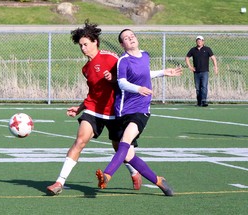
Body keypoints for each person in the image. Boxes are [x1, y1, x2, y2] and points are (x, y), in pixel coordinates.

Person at [46, 20, 142, 196]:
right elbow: (93, 93)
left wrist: (113, 77)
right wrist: (80, 108)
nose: (83, 48)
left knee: (119, 148)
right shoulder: (86, 68)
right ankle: (59, 182)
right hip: (93, 109)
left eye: (86, 44)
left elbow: (127, 77)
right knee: (80, 140)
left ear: (95, 42)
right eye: (81, 45)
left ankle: (134, 172)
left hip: (115, 110)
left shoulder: (111, 58)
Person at [96, 29, 182, 196]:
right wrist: (138, 88)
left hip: (141, 110)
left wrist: (163, 72)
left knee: (125, 142)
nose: (130, 39)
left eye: (132, 36)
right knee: (128, 156)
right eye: (126, 38)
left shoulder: (145, 55)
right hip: (123, 110)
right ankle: (158, 180)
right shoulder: (123, 61)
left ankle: (106, 175)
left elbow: (144, 74)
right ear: (122, 44)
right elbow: (122, 83)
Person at [185, 35, 218, 107]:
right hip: (196, 72)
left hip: (205, 71)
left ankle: (204, 101)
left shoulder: (207, 49)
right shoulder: (193, 50)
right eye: (198, 40)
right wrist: (190, 67)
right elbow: (187, 57)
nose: (199, 42)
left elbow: (213, 58)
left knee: (204, 86)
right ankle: (199, 102)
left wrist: (215, 67)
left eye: (200, 40)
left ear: (203, 41)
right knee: (197, 88)